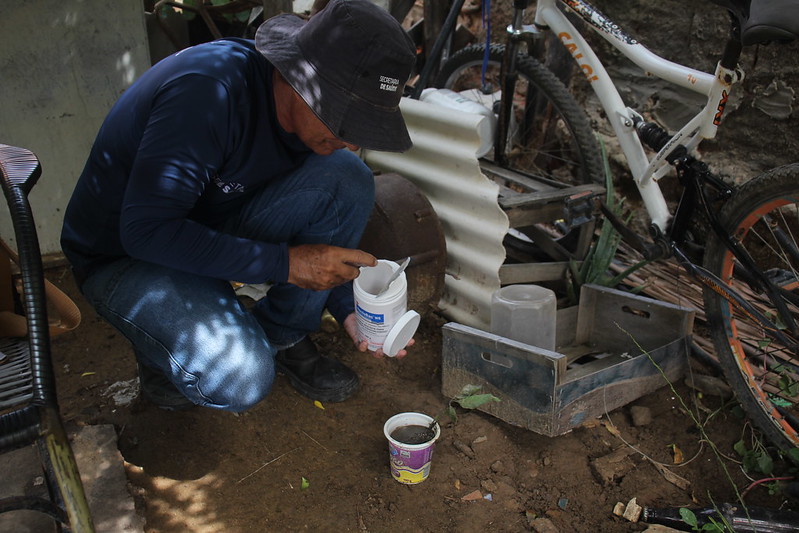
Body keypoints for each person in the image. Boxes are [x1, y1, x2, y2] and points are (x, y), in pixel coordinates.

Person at [60, 0, 417, 411]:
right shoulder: (207, 94)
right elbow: (146, 231)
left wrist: (349, 307)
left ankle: (284, 335)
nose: (352, 141)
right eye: (344, 122)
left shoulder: (303, 121)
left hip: (210, 218)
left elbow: (318, 218)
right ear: (297, 77)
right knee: (241, 377)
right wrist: (287, 264)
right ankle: (161, 354)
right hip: (124, 254)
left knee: (347, 175)